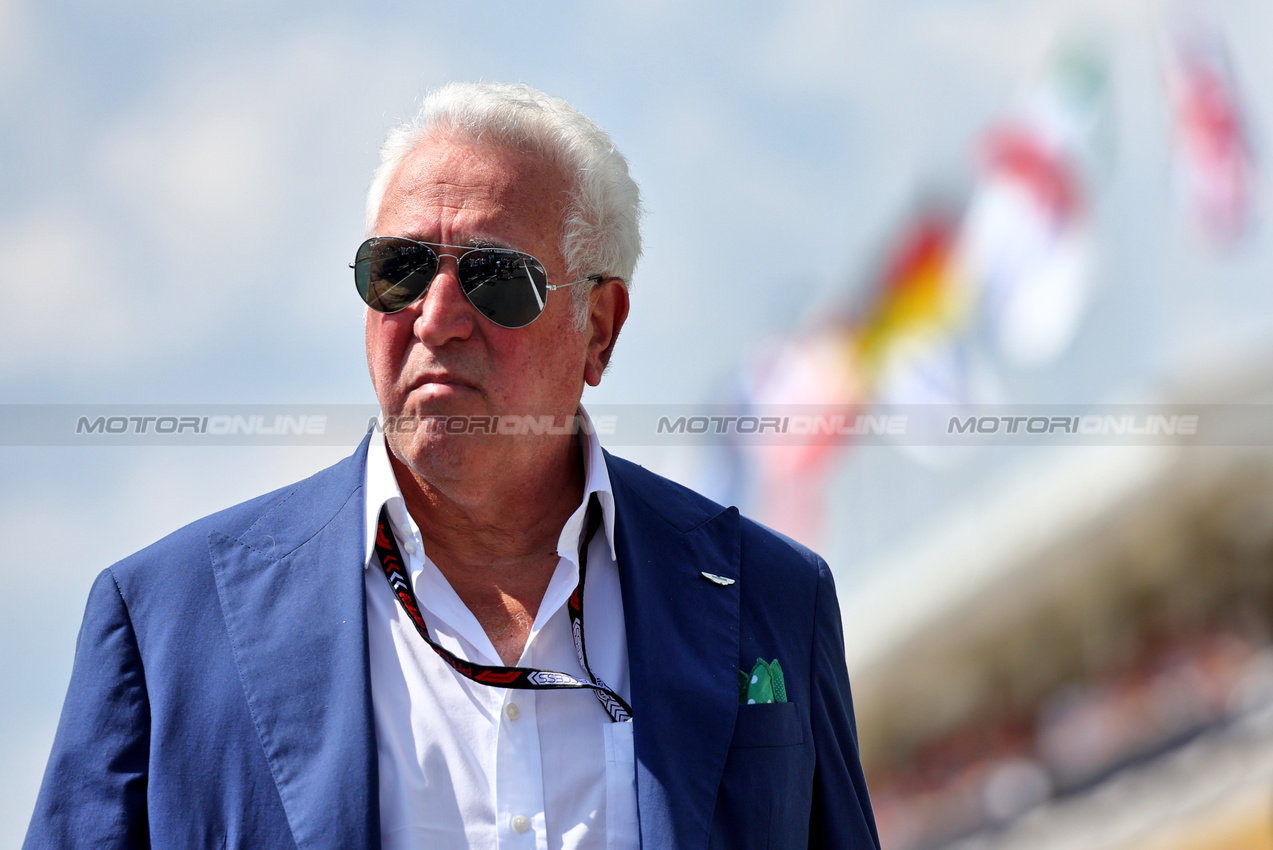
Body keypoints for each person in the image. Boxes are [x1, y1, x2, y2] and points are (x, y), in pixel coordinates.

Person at [25, 82, 880, 850]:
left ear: (599, 327)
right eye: (396, 270)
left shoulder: (772, 596)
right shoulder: (167, 622)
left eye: (492, 278)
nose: (436, 318)